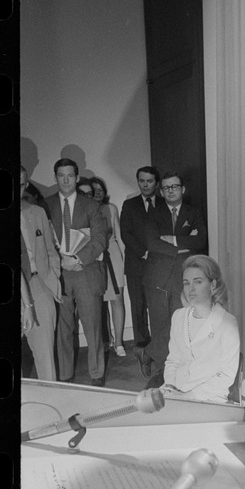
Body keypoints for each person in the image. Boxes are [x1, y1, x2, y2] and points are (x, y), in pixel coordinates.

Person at [45, 158, 108, 387]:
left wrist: (77, 259)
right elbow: (42, 240)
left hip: (86, 272)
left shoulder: (91, 205)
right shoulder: (45, 205)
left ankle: (96, 374)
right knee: (63, 328)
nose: (65, 179)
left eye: (70, 175)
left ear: (77, 178)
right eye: (61, 175)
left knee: (93, 327)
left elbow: (101, 239)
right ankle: (66, 375)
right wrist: (62, 262)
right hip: (59, 274)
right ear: (55, 177)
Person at [141, 172, 208, 388]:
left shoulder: (193, 212)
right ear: (161, 191)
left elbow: (200, 241)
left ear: (182, 189)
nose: (171, 190)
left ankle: (148, 352)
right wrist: (183, 247)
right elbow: (152, 243)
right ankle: (163, 374)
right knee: (161, 323)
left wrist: (173, 239)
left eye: (175, 186)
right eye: (166, 187)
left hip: (183, 277)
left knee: (182, 323)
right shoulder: (153, 213)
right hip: (157, 277)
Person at [162, 255, 240, 403]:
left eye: (198, 282)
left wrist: (187, 397)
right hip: (175, 391)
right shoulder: (178, 316)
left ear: (213, 285)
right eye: (186, 283)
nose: (190, 289)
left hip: (208, 397)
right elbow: (173, 360)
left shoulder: (228, 323)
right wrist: (170, 386)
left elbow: (226, 375)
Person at [20, 165, 62, 381]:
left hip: (38, 286)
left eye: (19, 185)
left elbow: (50, 250)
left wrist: (51, 280)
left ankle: (52, 407)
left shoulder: (37, 212)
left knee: (46, 358)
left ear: (26, 185)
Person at [120, 166, 162, 373]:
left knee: (159, 310)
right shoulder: (129, 205)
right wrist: (144, 252)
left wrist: (155, 252)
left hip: (159, 267)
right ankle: (142, 354)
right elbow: (125, 233)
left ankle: (161, 353)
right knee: (138, 309)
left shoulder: (164, 203)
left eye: (150, 181)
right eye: (142, 181)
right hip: (136, 265)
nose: (145, 185)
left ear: (157, 183)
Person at [90, 176, 127, 356]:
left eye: (100, 190)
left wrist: (124, 260)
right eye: (94, 190)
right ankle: (107, 339)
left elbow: (119, 236)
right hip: (94, 256)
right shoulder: (84, 210)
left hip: (113, 255)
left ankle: (119, 342)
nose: (98, 193)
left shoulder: (111, 209)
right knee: (99, 302)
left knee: (117, 299)